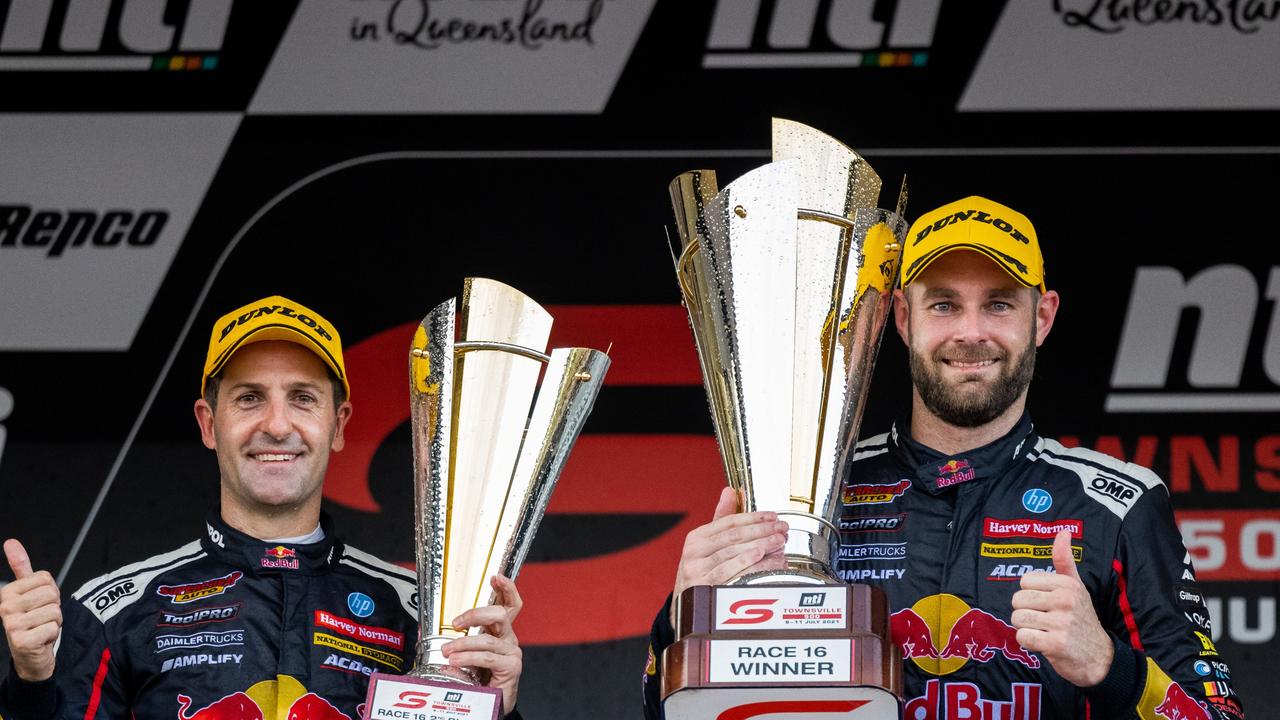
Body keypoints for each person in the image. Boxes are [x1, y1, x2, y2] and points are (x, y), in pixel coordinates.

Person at [642, 197, 1245, 720]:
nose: (971, 332)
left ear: (1043, 316)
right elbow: (670, 710)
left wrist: (1109, 666)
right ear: (902, 316)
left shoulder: (1117, 505)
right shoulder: (811, 494)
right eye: (944, 304)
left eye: (1001, 304)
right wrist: (685, 618)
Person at [0, 295, 525, 720]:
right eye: (250, 397)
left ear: (338, 425)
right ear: (209, 423)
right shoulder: (111, 612)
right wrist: (31, 681)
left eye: (302, 397)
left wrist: (499, 709)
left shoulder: (424, 617)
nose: (276, 424)